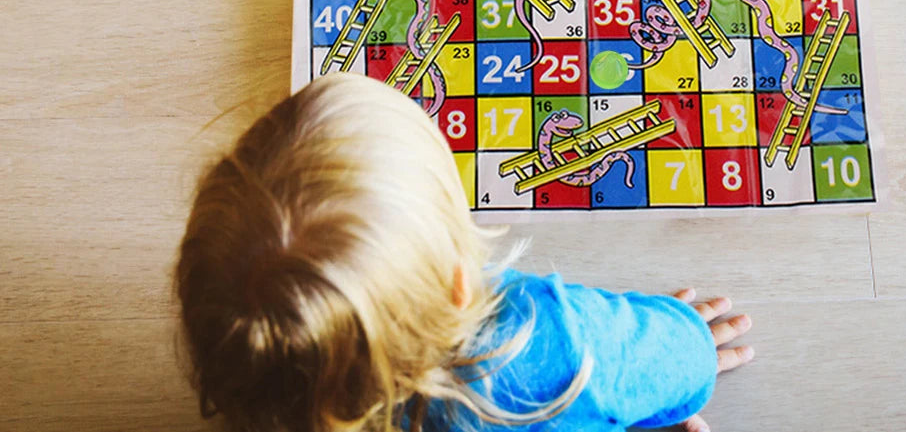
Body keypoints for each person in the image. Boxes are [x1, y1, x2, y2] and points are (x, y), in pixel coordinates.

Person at [176, 73, 752, 432]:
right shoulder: (546, 339)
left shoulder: (261, 383)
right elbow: (670, 364)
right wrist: (687, 340)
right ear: (460, 287)